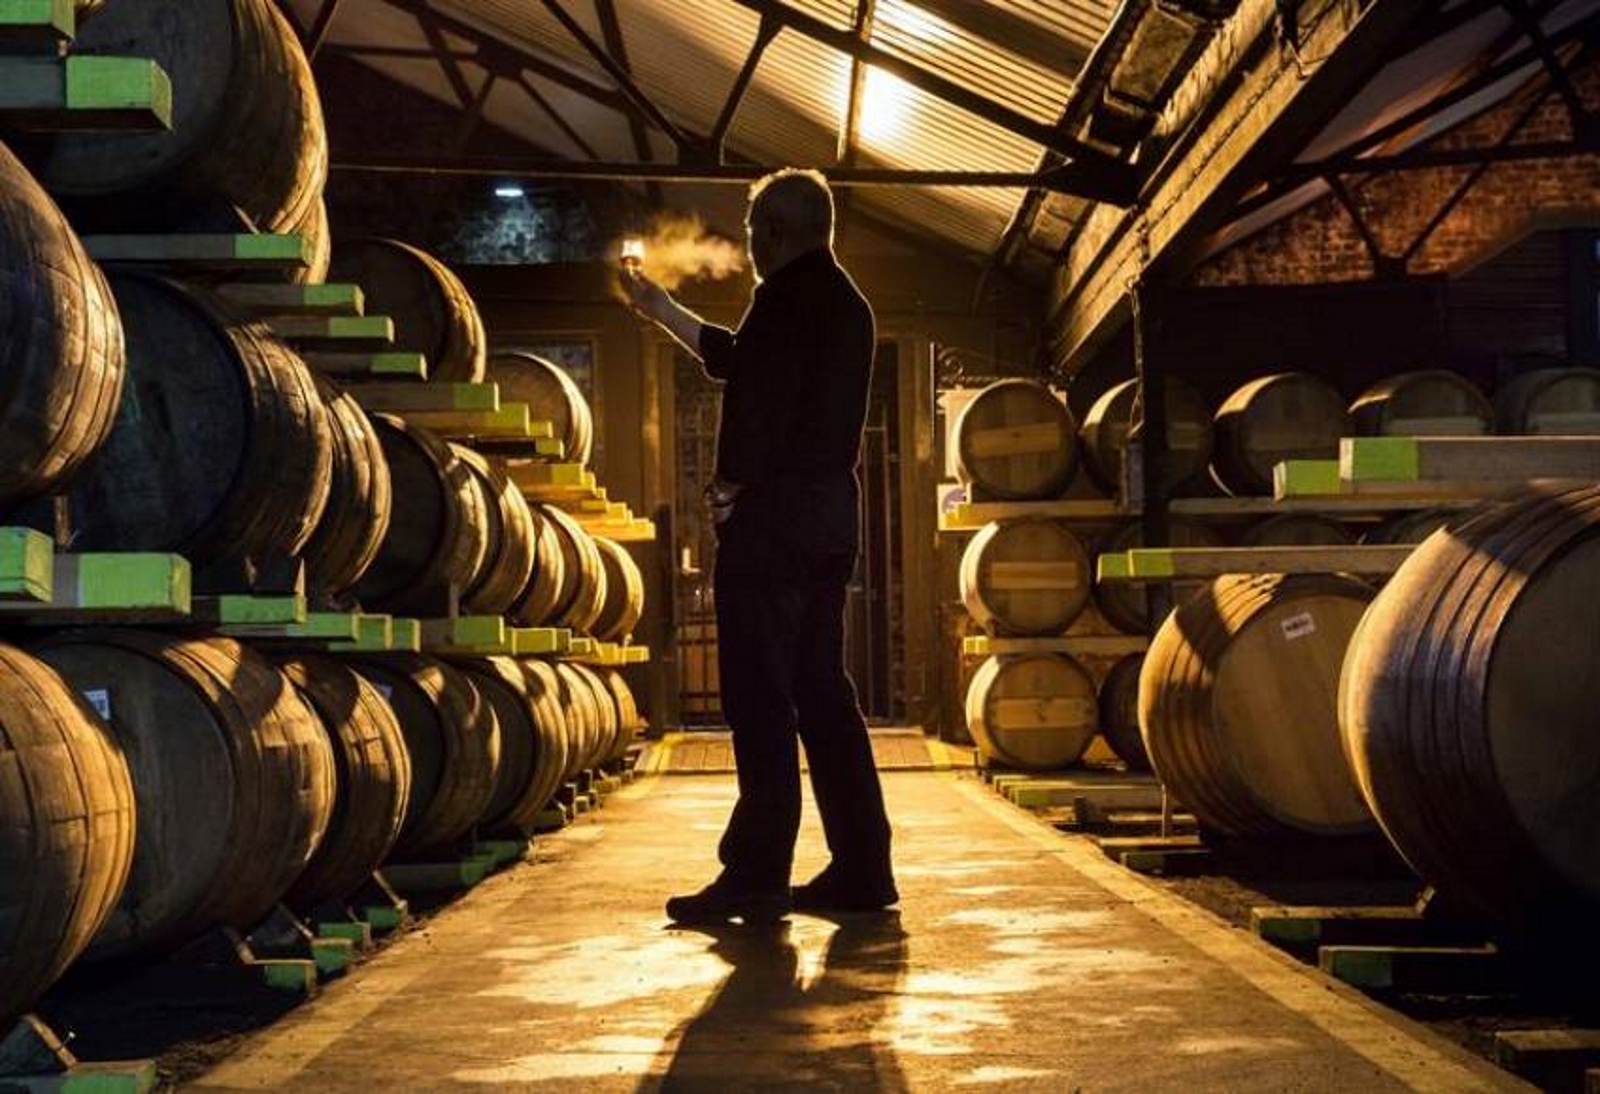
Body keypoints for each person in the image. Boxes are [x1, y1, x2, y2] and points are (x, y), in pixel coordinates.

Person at [623, 169, 897, 925]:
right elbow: (748, 363)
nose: (748, 246)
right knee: (821, 693)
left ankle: (755, 873)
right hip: (827, 521)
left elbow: (760, 401)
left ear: (775, 233)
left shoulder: (784, 298)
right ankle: (863, 865)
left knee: (759, 697)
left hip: (772, 525)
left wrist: (730, 488)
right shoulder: (847, 304)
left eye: (752, 233)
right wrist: (665, 311)